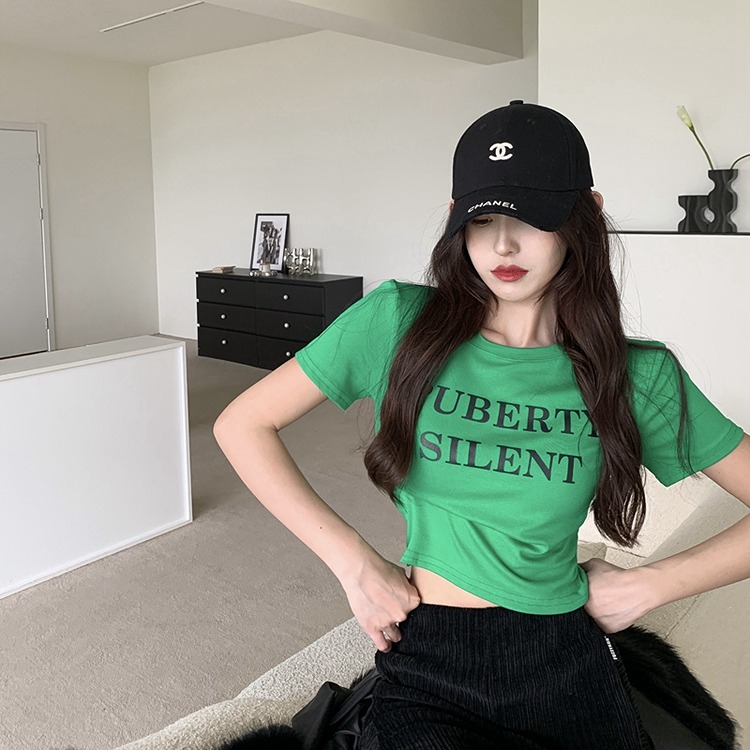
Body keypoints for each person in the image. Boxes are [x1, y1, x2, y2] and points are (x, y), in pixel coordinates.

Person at [214, 101, 750, 749]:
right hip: (430, 663)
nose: (502, 246)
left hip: (563, 657)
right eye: (483, 220)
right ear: (456, 221)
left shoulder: (636, 375)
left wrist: (650, 586)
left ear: (585, 214)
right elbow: (242, 425)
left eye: (531, 218)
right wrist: (352, 561)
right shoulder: (398, 323)